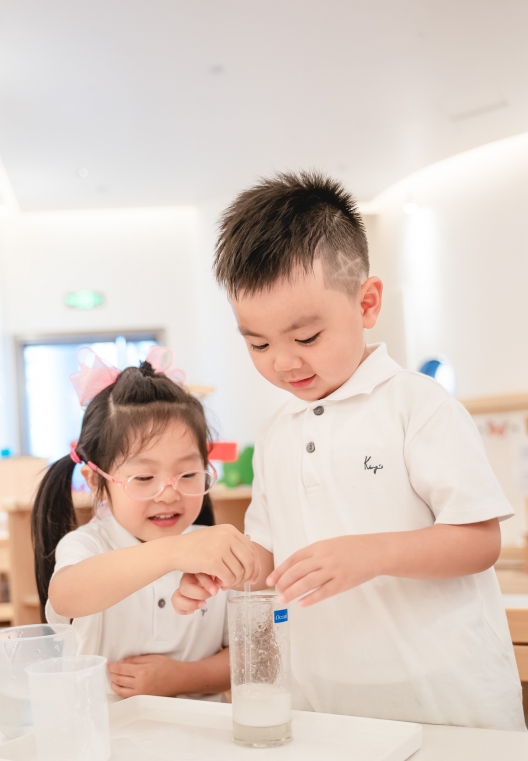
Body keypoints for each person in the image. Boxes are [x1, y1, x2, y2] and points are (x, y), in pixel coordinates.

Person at [173, 171, 525, 731]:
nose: (283, 362)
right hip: (327, 707)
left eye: (306, 338)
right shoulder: (277, 433)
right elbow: (274, 557)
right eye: (257, 343)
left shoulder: (418, 406)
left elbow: (480, 541)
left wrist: (372, 553)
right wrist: (231, 571)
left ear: (367, 303)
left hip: (444, 703)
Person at [32, 346, 258, 700]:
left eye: (187, 473)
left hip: (200, 740)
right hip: (109, 739)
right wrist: (175, 552)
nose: (168, 495)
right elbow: (65, 596)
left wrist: (182, 678)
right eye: (143, 478)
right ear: (98, 483)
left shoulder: (212, 551)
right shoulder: (87, 546)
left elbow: (250, 657)